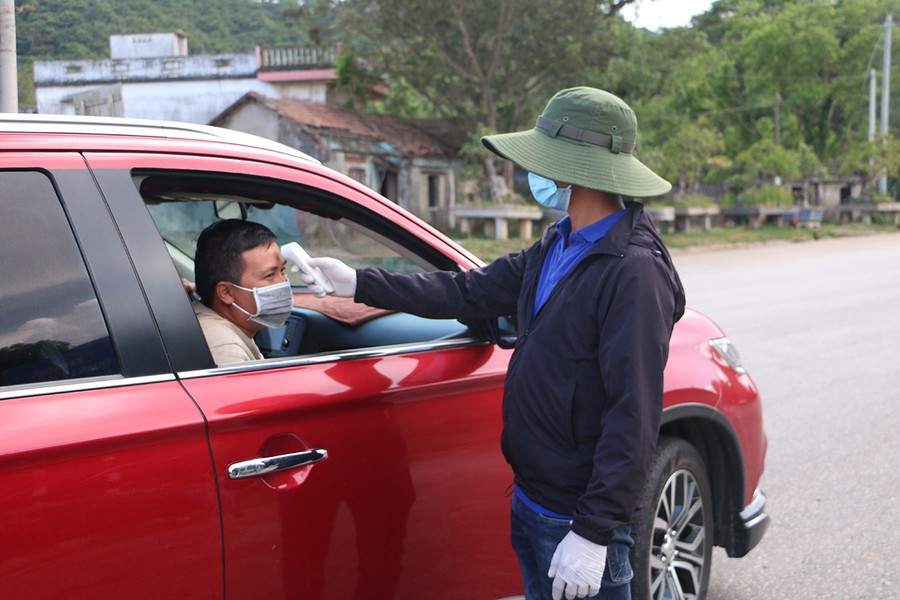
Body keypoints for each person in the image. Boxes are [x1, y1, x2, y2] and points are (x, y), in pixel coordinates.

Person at [303, 87, 685, 600]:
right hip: (533, 496)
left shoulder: (634, 273)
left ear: (571, 172)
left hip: (576, 518)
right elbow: (467, 289)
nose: (535, 175)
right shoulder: (559, 241)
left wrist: (593, 533)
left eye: (542, 163)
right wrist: (360, 283)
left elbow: (633, 416)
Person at [193, 219, 293, 365]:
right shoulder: (227, 351)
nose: (283, 282)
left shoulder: (206, 323)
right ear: (226, 292)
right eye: (269, 276)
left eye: (282, 270)